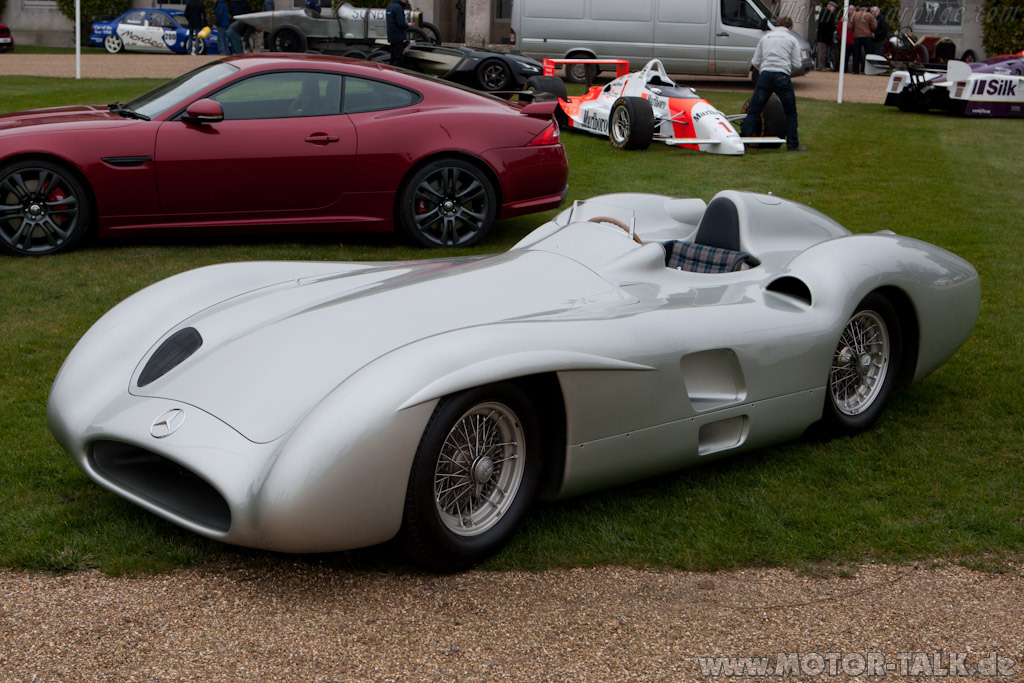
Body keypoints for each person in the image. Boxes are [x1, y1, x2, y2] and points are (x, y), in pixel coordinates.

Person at [740, 15, 805, 151]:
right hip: (782, 76)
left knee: (754, 111)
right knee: (790, 112)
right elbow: (798, 64)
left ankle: (743, 142)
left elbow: (755, 62)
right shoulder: (792, 39)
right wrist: (786, 69)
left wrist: (764, 70)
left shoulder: (765, 38)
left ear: (776, 25)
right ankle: (792, 144)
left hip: (766, 75)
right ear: (790, 28)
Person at [851, 4, 877, 74]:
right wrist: (871, 30)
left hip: (857, 36)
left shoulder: (854, 15)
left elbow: (850, 25)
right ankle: (868, 70)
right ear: (866, 8)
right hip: (867, 36)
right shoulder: (869, 15)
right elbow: (874, 26)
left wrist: (854, 30)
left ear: (859, 8)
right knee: (868, 54)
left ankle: (855, 70)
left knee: (856, 54)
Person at [386, 0, 410, 67]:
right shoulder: (398, 8)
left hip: (391, 36)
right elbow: (401, 24)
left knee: (393, 57)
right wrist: (408, 25)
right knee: (398, 59)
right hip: (398, 36)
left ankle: (390, 72)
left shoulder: (389, 7)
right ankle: (395, 74)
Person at [815, 1, 837, 71]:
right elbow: (826, 26)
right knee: (822, 52)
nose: (834, 9)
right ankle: (821, 66)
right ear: (830, 6)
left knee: (823, 52)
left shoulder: (826, 13)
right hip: (823, 37)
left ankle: (822, 66)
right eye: (834, 7)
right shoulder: (826, 13)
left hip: (824, 36)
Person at [836, 4, 855, 73]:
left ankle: (854, 70)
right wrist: (843, 36)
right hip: (846, 41)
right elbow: (839, 29)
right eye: (850, 9)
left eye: (852, 10)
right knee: (844, 57)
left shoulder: (856, 18)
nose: (851, 11)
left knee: (856, 57)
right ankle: (843, 69)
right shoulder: (843, 19)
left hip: (854, 41)